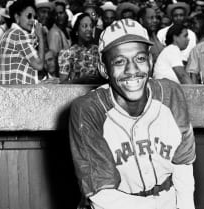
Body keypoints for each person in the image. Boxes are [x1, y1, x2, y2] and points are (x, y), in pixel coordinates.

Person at [69, 18, 196, 209]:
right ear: (104, 69)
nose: (132, 70)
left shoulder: (170, 94)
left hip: (168, 199)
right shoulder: (88, 110)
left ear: (151, 61)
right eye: (119, 61)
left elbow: (183, 165)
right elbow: (102, 194)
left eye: (140, 58)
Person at [0, 0, 45, 84]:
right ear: (17, 17)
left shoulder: (9, 33)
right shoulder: (18, 35)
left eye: (34, 17)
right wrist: (40, 37)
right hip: (15, 92)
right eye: (29, 16)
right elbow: (39, 65)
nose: (32, 20)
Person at [58, 13, 101, 83]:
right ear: (76, 31)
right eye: (85, 26)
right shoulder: (67, 53)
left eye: (91, 26)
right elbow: (63, 84)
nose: (89, 29)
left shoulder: (99, 51)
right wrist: (81, 80)